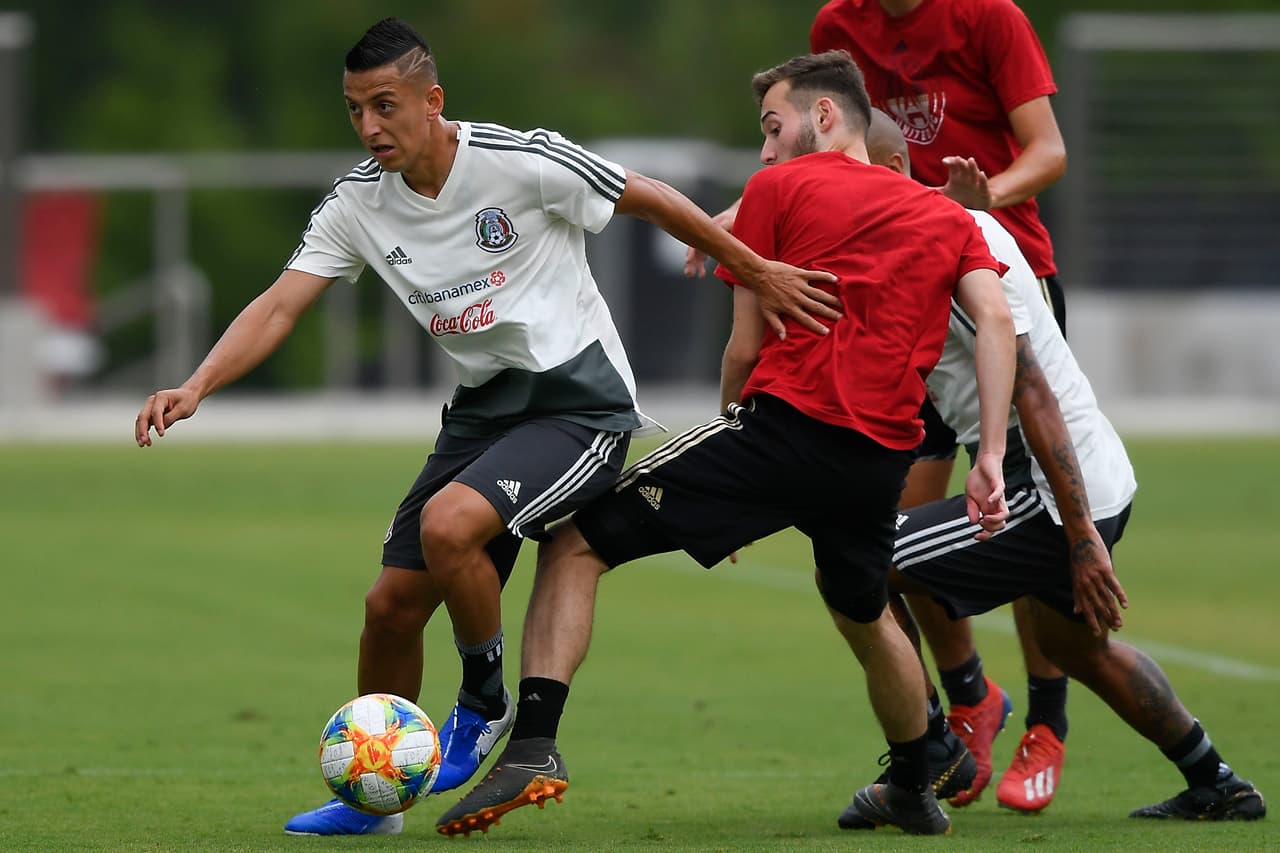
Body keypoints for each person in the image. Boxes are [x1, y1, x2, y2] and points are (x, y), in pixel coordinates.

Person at [132, 17, 843, 838]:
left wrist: (753, 267)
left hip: (580, 405)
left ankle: (482, 697)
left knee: (448, 525)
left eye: (386, 105)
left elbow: (649, 196)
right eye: (355, 110)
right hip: (482, 413)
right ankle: (380, 800)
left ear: (432, 100)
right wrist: (197, 383)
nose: (369, 127)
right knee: (389, 607)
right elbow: (281, 302)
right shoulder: (359, 201)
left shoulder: (521, 158)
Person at [433, 49, 1017, 838]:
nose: (767, 151)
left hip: (780, 436)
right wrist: (986, 458)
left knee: (574, 541)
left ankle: (534, 742)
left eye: (773, 128)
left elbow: (744, 348)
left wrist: (730, 462)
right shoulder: (948, 218)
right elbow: (997, 321)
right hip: (878, 460)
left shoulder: (779, 190)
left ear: (824, 115)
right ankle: (916, 781)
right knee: (864, 607)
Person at [830, 113, 1265, 827]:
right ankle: (1215, 779)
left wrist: (1081, 534)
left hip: (1054, 484)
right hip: (1092, 468)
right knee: (1074, 645)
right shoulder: (946, 225)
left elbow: (1030, 387)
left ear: (887, 168)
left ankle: (932, 747)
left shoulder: (941, 244)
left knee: (860, 563)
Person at [690, 0, 1074, 810]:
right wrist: (731, 224)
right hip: (888, 291)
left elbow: (1050, 152)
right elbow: (808, 149)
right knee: (888, 535)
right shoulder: (839, 22)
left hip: (991, 263)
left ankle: (1048, 719)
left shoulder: (989, 18)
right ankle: (966, 701)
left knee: (1024, 506)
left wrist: (967, 206)